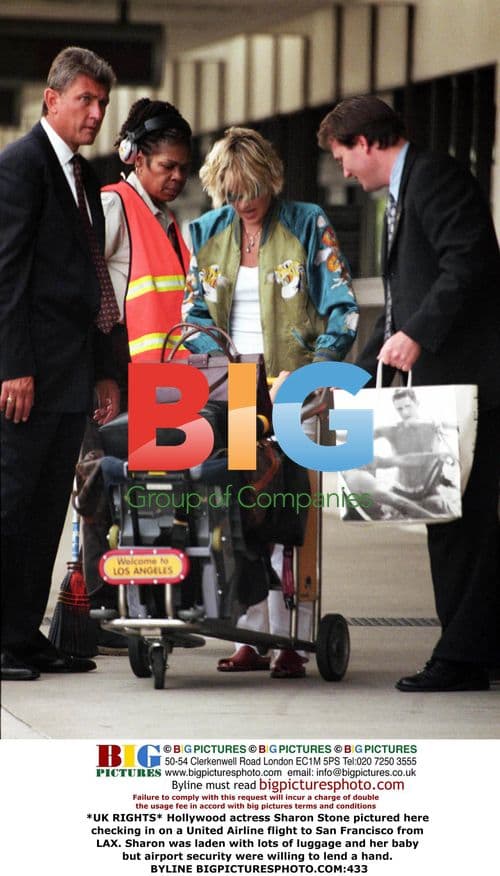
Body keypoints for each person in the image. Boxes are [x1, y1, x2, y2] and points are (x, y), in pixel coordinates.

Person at [318, 95, 500, 691]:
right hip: (450, 386)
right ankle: (472, 648)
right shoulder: (408, 191)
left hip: (473, 386)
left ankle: (462, 657)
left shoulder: (436, 178)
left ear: (367, 143)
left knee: (462, 527)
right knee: (449, 522)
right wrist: (353, 375)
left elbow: (470, 261)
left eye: (343, 155)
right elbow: (399, 309)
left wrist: (419, 333)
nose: (342, 169)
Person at [183, 126, 358, 678]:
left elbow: (344, 309)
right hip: (235, 393)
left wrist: (307, 374)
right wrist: (226, 369)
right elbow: (194, 317)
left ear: (271, 177)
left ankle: (295, 641)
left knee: (295, 514)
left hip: (301, 391)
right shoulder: (207, 232)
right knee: (241, 511)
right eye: (233, 191)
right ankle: (252, 635)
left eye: (253, 187)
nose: (245, 201)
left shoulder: (309, 223)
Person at [0, 46, 119, 681]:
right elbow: (7, 274)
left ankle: (23, 634)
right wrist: (13, 365)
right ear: (52, 100)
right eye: (85, 100)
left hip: (71, 374)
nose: (96, 112)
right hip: (29, 377)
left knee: (48, 509)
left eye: (102, 102)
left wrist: (104, 366)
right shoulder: (22, 167)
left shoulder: (82, 173)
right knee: (11, 505)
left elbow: (93, 277)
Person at [78, 98, 194, 651]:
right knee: (104, 491)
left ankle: (150, 607)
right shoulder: (114, 206)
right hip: (118, 383)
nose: (176, 176)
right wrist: (103, 374)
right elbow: (89, 295)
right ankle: (99, 606)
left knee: (153, 498)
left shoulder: (169, 222)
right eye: (165, 166)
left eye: (181, 167)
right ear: (133, 157)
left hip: (162, 385)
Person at [342, 387, 461, 521]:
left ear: (417, 404)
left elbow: (466, 424)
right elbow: (357, 437)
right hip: (399, 490)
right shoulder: (392, 430)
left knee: (444, 512)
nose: (405, 412)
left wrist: (440, 424)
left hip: (429, 491)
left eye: (408, 406)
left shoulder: (434, 426)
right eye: (399, 409)